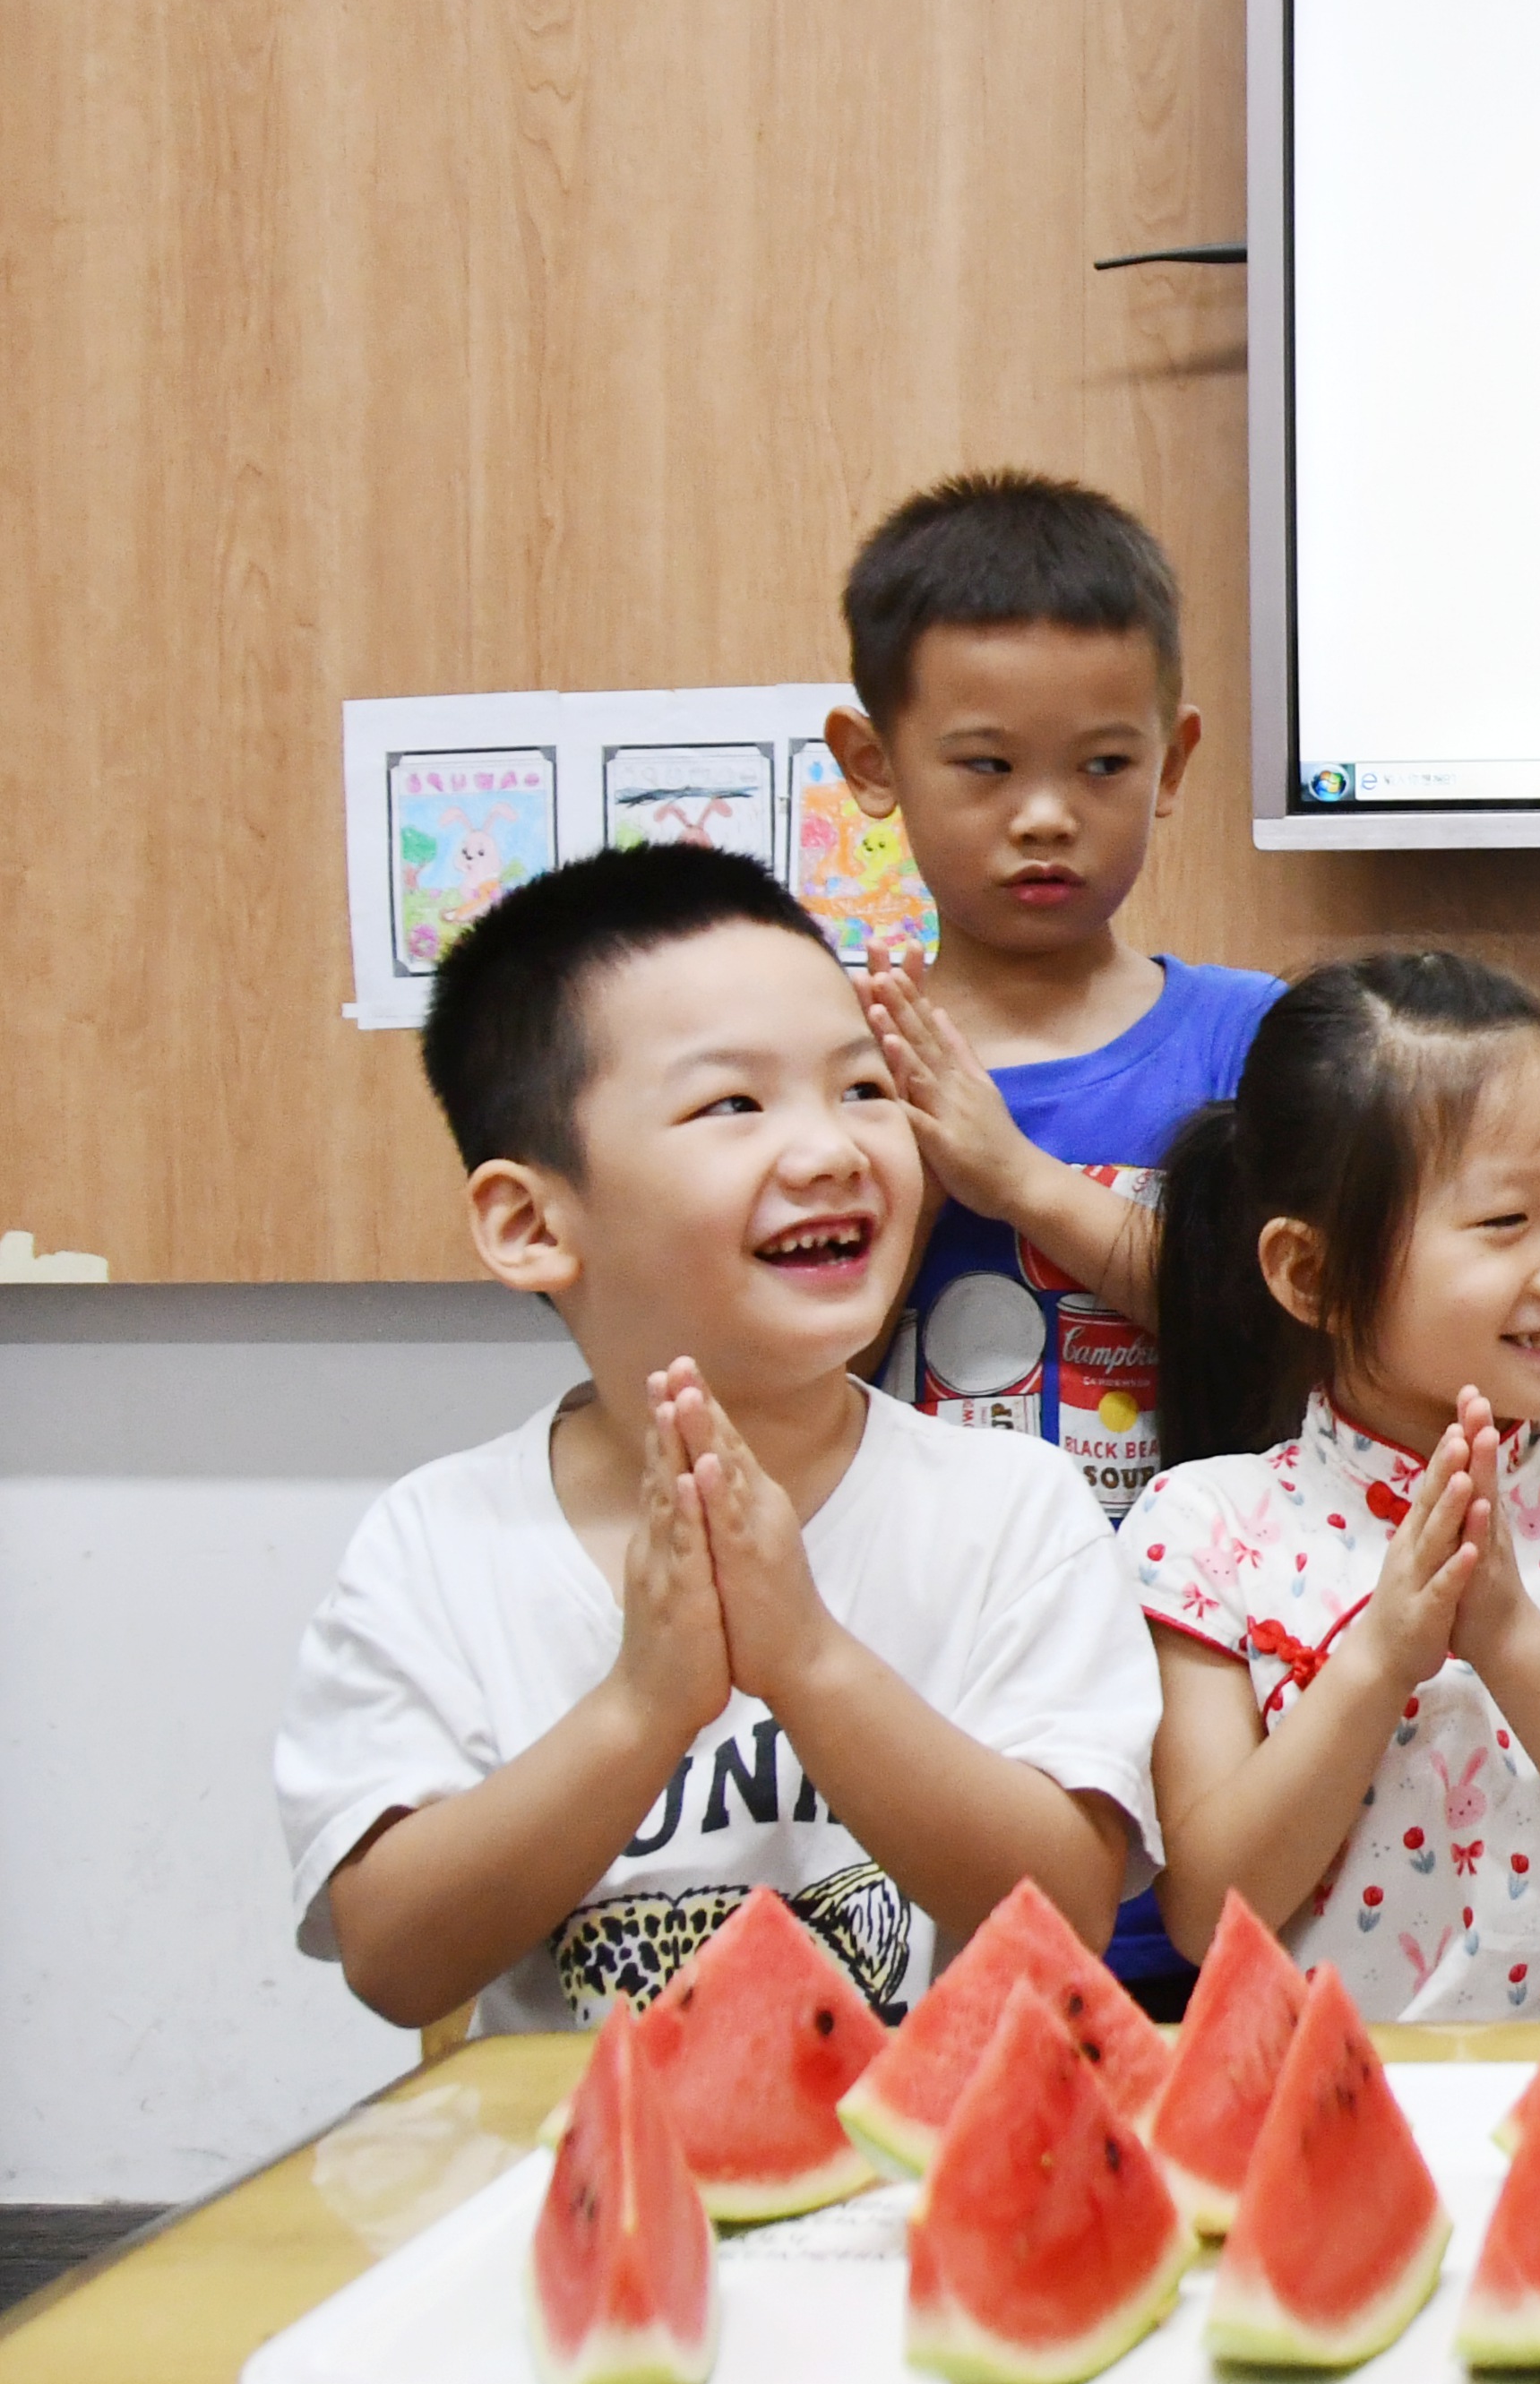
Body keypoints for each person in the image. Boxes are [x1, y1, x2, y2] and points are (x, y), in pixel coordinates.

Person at [274, 847, 1162, 2034]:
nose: (833, 1148)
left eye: (861, 1088)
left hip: (928, 2179)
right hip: (592, 2190)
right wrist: (640, 1707)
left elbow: (1067, 1907)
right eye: (733, 1104)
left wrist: (808, 1660)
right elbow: (394, 1959)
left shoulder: (1011, 1507)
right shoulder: (441, 1539)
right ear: (532, 1221)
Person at [828, 469, 1282, 2007]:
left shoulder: (1250, 1043)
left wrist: (1019, 1180)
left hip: (1213, 1700)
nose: (1045, 813)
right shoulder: (826, 1051)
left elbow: (1298, 1334)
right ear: (869, 763)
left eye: (1102, 762)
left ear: (1177, 759)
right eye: (983, 764)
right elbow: (782, 1359)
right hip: (924, 1705)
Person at [1123, 954, 1540, 2018]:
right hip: (1347, 2122)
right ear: (1310, 1274)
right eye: (1505, 1223)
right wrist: (1380, 1659)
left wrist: (1511, 1638)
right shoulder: (1204, 1531)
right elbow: (1210, 1912)